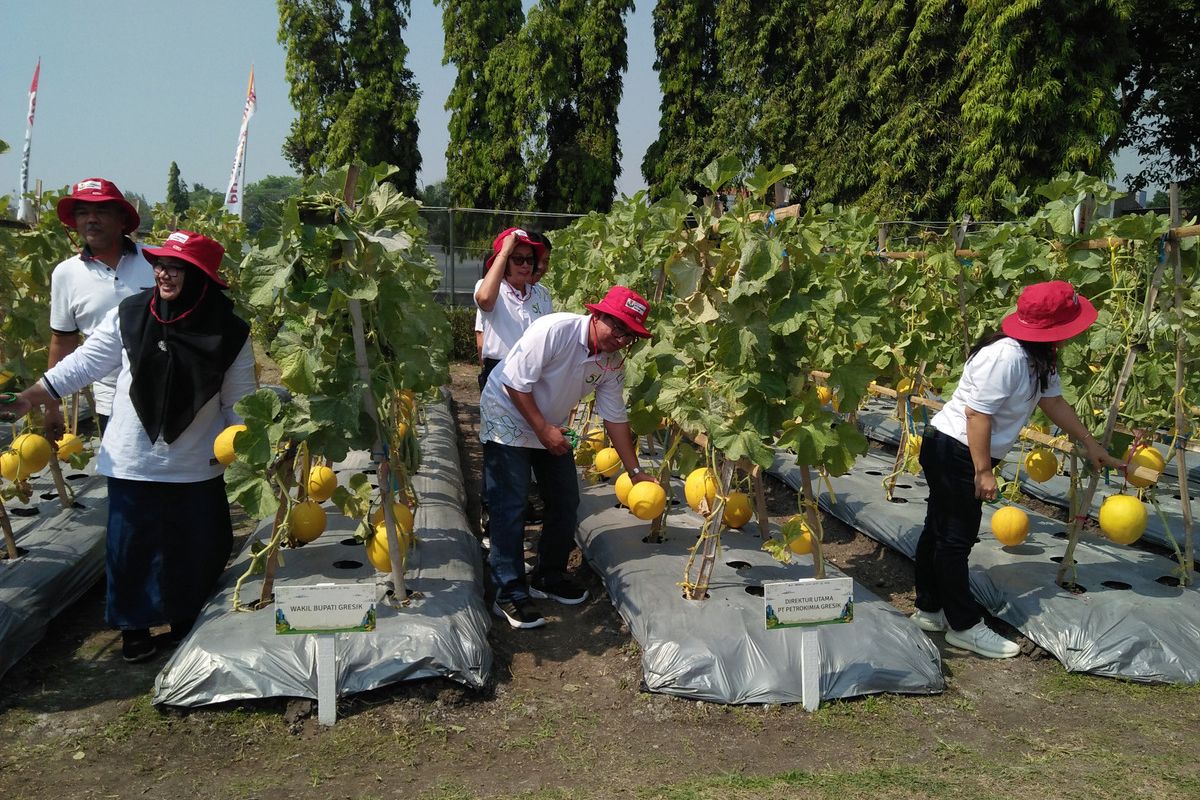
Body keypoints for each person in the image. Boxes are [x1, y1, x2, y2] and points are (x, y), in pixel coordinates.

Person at [1, 231, 256, 663]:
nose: (164, 272)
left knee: (195, 548)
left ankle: (184, 622)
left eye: (178, 266)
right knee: (131, 549)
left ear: (202, 277)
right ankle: (134, 630)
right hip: (132, 459)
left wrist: (250, 449)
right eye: (160, 263)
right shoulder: (131, 313)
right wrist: (33, 396)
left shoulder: (229, 332)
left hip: (196, 463)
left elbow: (239, 401)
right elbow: (83, 363)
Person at [910, 281, 1121, 658]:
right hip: (955, 448)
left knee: (940, 529)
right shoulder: (1005, 356)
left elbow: (1052, 402)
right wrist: (982, 471)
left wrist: (1090, 444)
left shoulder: (1039, 356)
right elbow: (977, 415)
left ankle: (929, 607)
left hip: (959, 448)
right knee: (955, 539)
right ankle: (964, 626)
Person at [479, 285, 656, 629]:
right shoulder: (555, 330)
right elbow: (515, 383)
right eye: (617, 327)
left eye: (629, 334)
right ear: (597, 315)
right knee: (510, 504)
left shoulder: (611, 362)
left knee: (565, 499)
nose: (621, 339)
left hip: (549, 423)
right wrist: (543, 429)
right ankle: (509, 592)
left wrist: (635, 471)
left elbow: (614, 417)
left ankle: (549, 575)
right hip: (507, 414)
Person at [46, 178, 156, 438]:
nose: (91, 219)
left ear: (122, 219)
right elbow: (63, 342)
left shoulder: (157, 260)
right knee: (122, 476)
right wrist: (51, 406)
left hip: (172, 392)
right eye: (82, 213)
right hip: (112, 400)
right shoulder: (66, 274)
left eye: (101, 211)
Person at [474, 227, 553, 391]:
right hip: (499, 370)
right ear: (503, 261)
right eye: (517, 259)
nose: (525, 265)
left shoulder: (542, 293)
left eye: (530, 259)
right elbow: (485, 300)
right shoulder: (489, 287)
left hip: (533, 373)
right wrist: (504, 251)